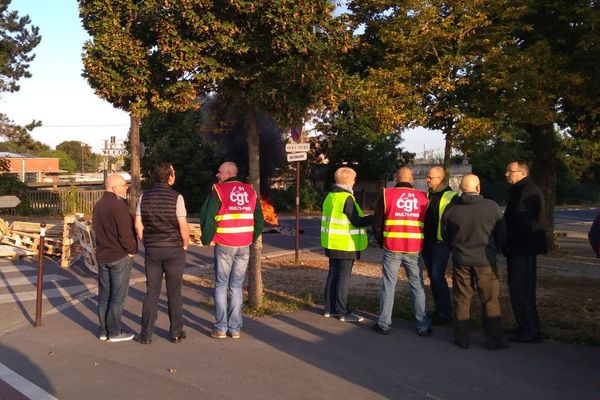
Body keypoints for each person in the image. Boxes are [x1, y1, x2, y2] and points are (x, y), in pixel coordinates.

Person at [442, 174, 508, 350]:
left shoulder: (451, 209)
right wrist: (496, 249)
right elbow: (502, 234)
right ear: (478, 188)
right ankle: (494, 339)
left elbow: (445, 236)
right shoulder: (492, 207)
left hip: (461, 260)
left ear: (461, 190)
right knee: (490, 299)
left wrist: (455, 249)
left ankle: (462, 338)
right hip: (486, 261)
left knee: (461, 299)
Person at [200, 162, 264, 339]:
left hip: (224, 244)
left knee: (221, 285)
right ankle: (235, 329)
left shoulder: (219, 190)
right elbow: (259, 219)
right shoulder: (250, 190)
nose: (217, 175)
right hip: (244, 245)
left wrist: (207, 238)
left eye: (220, 172)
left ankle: (221, 328)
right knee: (236, 286)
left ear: (229, 173)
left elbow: (209, 217)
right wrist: (251, 237)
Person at [372, 167, 432, 336]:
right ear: (411, 179)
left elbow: (377, 224)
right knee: (417, 285)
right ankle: (422, 325)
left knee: (388, 285)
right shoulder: (423, 197)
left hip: (392, 246)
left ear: (396, 178)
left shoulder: (386, 195)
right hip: (414, 248)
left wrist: (382, 241)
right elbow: (428, 224)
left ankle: (384, 324)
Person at [135, 163, 189, 344]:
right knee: (174, 292)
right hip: (173, 249)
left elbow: (138, 224)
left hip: (152, 250)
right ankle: (176, 332)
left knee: (152, 291)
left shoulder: (144, 197)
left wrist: (146, 241)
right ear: (170, 177)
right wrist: (186, 243)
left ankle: (146, 334)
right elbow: (182, 224)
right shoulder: (177, 197)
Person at [321, 167, 373, 322]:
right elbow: (356, 221)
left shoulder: (330, 196)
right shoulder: (347, 198)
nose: (355, 181)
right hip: (345, 244)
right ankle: (343, 312)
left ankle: (329, 309)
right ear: (347, 180)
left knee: (333, 275)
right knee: (343, 278)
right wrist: (373, 218)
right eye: (354, 178)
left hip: (331, 243)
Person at [503, 160, 547, 343]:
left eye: (510, 171)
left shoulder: (528, 191)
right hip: (519, 249)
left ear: (522, 173)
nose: (506, 174)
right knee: (519, 288)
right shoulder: (521, 190)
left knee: (522, 289)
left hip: (522, 249)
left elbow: (521, 224)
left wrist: (508, 244)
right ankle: (524, 325)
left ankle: (530, 329)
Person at [92, 174, 137, 342]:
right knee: (118, 296)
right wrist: (131, 250)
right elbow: (125, 233)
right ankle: (115, 331)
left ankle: (103, 330)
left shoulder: (98, 205)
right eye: (124, 185)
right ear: (114, 187)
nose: (126, 188)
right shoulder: (119, 206)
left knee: (104, 295)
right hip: (119, 255)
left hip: (103, 255)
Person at [422, 165, 457, 325]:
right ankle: (440, 310)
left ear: (440, 178)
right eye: (427, 177)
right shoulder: (428, 195)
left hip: (441, 244)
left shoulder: (452, 197)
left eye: (430, 177)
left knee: (437, 277)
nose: (427, 179)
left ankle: (445, 313)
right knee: (433, 277)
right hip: (427, 243)